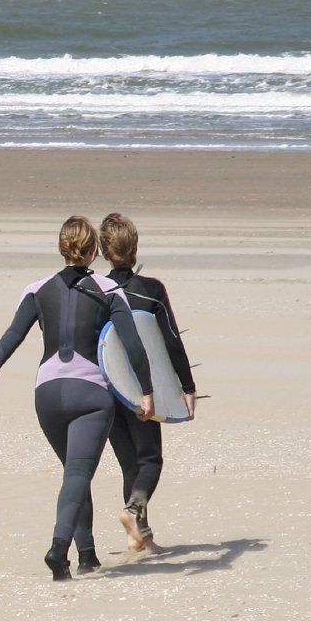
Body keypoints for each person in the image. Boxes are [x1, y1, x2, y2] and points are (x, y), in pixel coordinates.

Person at [0, 217, 155, 580]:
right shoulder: (107, 289)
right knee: (77, 471)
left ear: (63, 248)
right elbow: (133, 344)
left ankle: (87, 556)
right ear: (92, 251)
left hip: (47, 394)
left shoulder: (37, 289)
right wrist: (147, 392)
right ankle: (59, 549)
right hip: (89, 394)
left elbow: (14, 334)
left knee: (75, 473)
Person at [99, 213, 197, 555]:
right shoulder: (152, 289)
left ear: (103, 251)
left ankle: (140, 536)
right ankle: (133, 513)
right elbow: (170, 341)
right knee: (151, 459)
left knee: (130, 463)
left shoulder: (96, 289)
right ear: (135, 248)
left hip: (107, 387)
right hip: (144, 391)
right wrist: (187, 386)